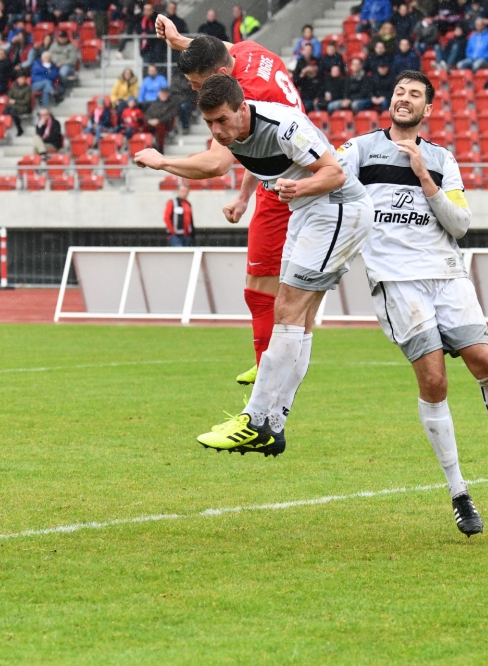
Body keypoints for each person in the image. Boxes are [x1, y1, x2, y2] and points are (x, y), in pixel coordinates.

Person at [342, 70, 488, 535]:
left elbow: (460, 223)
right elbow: (333, 189)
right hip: (397, 282)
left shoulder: (442, 159)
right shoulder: (359, 151)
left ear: (428, 110)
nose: (403, 99)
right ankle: (459, 493)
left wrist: (424, 176)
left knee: (484, 359)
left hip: (446, 276)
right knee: (434, 379)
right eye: (399, 92)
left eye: (414, 96)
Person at [184, 75, 371, 455]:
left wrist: (297, 188)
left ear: (241, 108)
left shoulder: (284, 126)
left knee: (285, 310)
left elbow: (334, 172)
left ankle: (253, 419)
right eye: (209, 124)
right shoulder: (238, 131)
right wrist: (242, 199)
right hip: (308, 212)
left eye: (221, 120)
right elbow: (257, 159)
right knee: (298, 321)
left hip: (336, 209)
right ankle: (273, 427)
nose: (217, 131)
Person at [145, 23, 305, 386]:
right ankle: (270, 361)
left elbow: (217, 164)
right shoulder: (249, 52)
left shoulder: (245, 95)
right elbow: (262, 148)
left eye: (198, 83)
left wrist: (162, 162)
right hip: (279, 171)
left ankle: (273, 372)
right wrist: (180, 41)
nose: (195, 89)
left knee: (272, 288)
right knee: (264, 285)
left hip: (290, 186)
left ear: (219, 74)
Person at [145, 87, 177, 151]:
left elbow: (169, 116)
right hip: (152, 123)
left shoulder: (171, 104)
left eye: (165, 93)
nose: (163, 95)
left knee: (160, 128)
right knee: (144, 127)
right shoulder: (154, 103)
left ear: (168, 94)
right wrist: (149, 120)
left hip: (165, 124)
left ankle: (160, 149)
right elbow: (147, 113)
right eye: (162, 93)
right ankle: (146, 146)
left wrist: (158, 120)